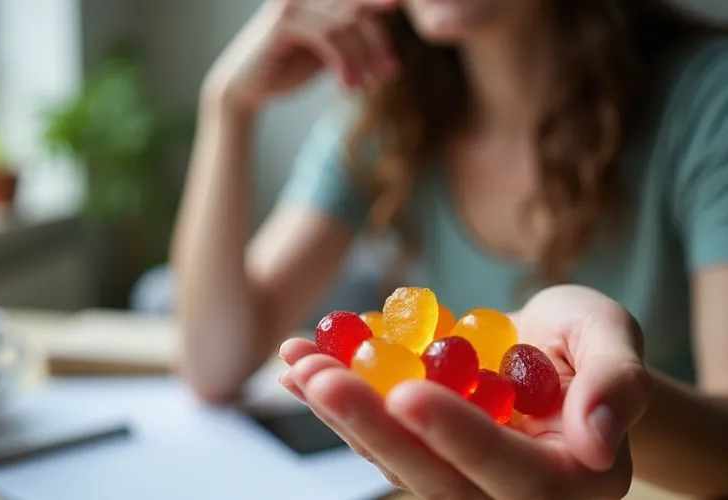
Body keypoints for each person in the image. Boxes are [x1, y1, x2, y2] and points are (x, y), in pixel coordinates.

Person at [171, 0, 728, 497]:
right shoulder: (386, 118)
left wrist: (592, 409)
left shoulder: (709, 100)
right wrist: (228, 105)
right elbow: (215, 360)